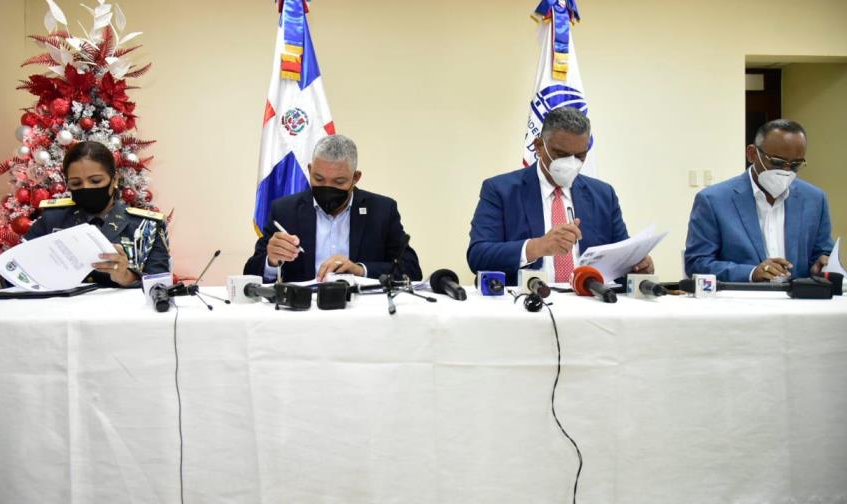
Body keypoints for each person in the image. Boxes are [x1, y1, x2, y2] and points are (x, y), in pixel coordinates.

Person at [467, 106, 651, 285]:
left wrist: (636, 267)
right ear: (539, 146)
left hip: (589, 302)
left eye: (580, 156)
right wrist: (538, 246)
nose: (570, 163)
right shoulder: (500, 190)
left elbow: (620, 260)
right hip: (527, 305)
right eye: (561, 154)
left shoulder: (603, 195)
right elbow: (478, 256)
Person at [244, 134, 422, 283]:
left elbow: (411, 270)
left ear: (356, 177)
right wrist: (271, 261)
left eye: (338, 182)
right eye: (319, 179)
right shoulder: (285, 210)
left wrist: (359, 270)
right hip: (302, 313)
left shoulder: (382, 210)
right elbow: (250, 274)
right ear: (309, 170)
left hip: (362, 313)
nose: (327, 188)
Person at [685, 119, 833, 282]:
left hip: (798, 301)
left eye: (795, 164)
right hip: (740, 302)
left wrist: (821, 265)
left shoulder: (814, 199)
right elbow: (697, 263)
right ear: (752, 154)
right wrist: (751, 272)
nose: (786, 170)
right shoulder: (713, 200)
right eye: (777, 162)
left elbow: (822, 254)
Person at [22, 141, 171, 287]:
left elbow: (160, 285)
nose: (86, 188)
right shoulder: (52, 220)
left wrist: (128, 277)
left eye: (95, 181)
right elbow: (11, 271)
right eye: (76, 183)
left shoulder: (146, 225)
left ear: (114, 180)